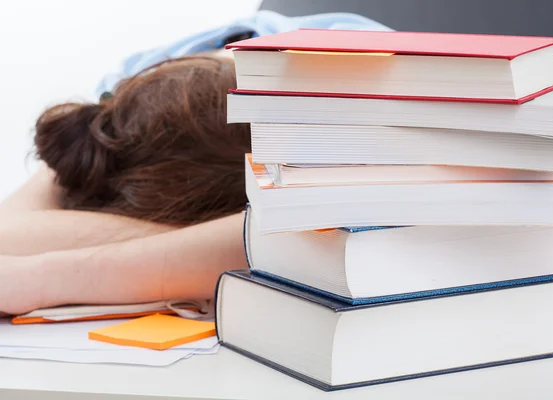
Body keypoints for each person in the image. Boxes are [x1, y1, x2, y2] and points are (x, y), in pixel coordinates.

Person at [0, 11, 391, 316]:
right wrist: (195, 250)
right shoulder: (119, 103)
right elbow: (9, 234)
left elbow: (306, 234)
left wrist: (46, 276)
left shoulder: (390, 88)